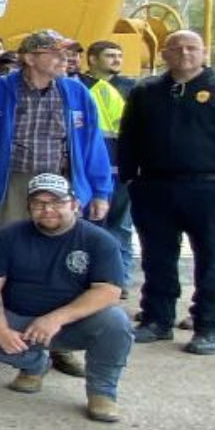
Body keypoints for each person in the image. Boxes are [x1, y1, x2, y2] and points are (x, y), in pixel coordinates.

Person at [115, 30, 215, 356]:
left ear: (204, 52)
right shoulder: (147, 91)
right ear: (163, 54)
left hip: (208, 189)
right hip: (154, 187)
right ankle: (157, 319)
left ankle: (208, 327)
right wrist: (129, 177)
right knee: (157, 258)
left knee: (212, 261)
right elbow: (129, 136)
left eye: (191, 47)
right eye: (176, 48)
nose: (184, 53)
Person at [0, 174, 134, 423]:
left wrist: (56, 318)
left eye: (57, 202)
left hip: (73, 323)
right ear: (29, 208)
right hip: (19, 320)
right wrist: (1, 329)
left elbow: (109, 291)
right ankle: (34, 364)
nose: (47, 210)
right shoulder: (8, 236)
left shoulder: (98, 240)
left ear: (75, 205)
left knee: (116, 322)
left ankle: (102, 392)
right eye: (38, 203)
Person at [0, 30, 114, 231]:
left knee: (59, 251)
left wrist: (100, 193)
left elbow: (93, 145)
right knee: (10, 248)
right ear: (30, 58)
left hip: (62, 181)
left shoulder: (76, 93)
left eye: (66, 54)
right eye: (56, 54)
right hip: (10, 183)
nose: (64, 59)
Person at [84, 39, 139, 263]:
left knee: (121, 226)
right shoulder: (79, 85)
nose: (116, 60)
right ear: (92, 59)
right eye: (110, 55)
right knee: (90, 223)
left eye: (119, 55)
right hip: (90, 168)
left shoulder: (133, 88)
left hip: (122, 168)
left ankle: (119, 278)